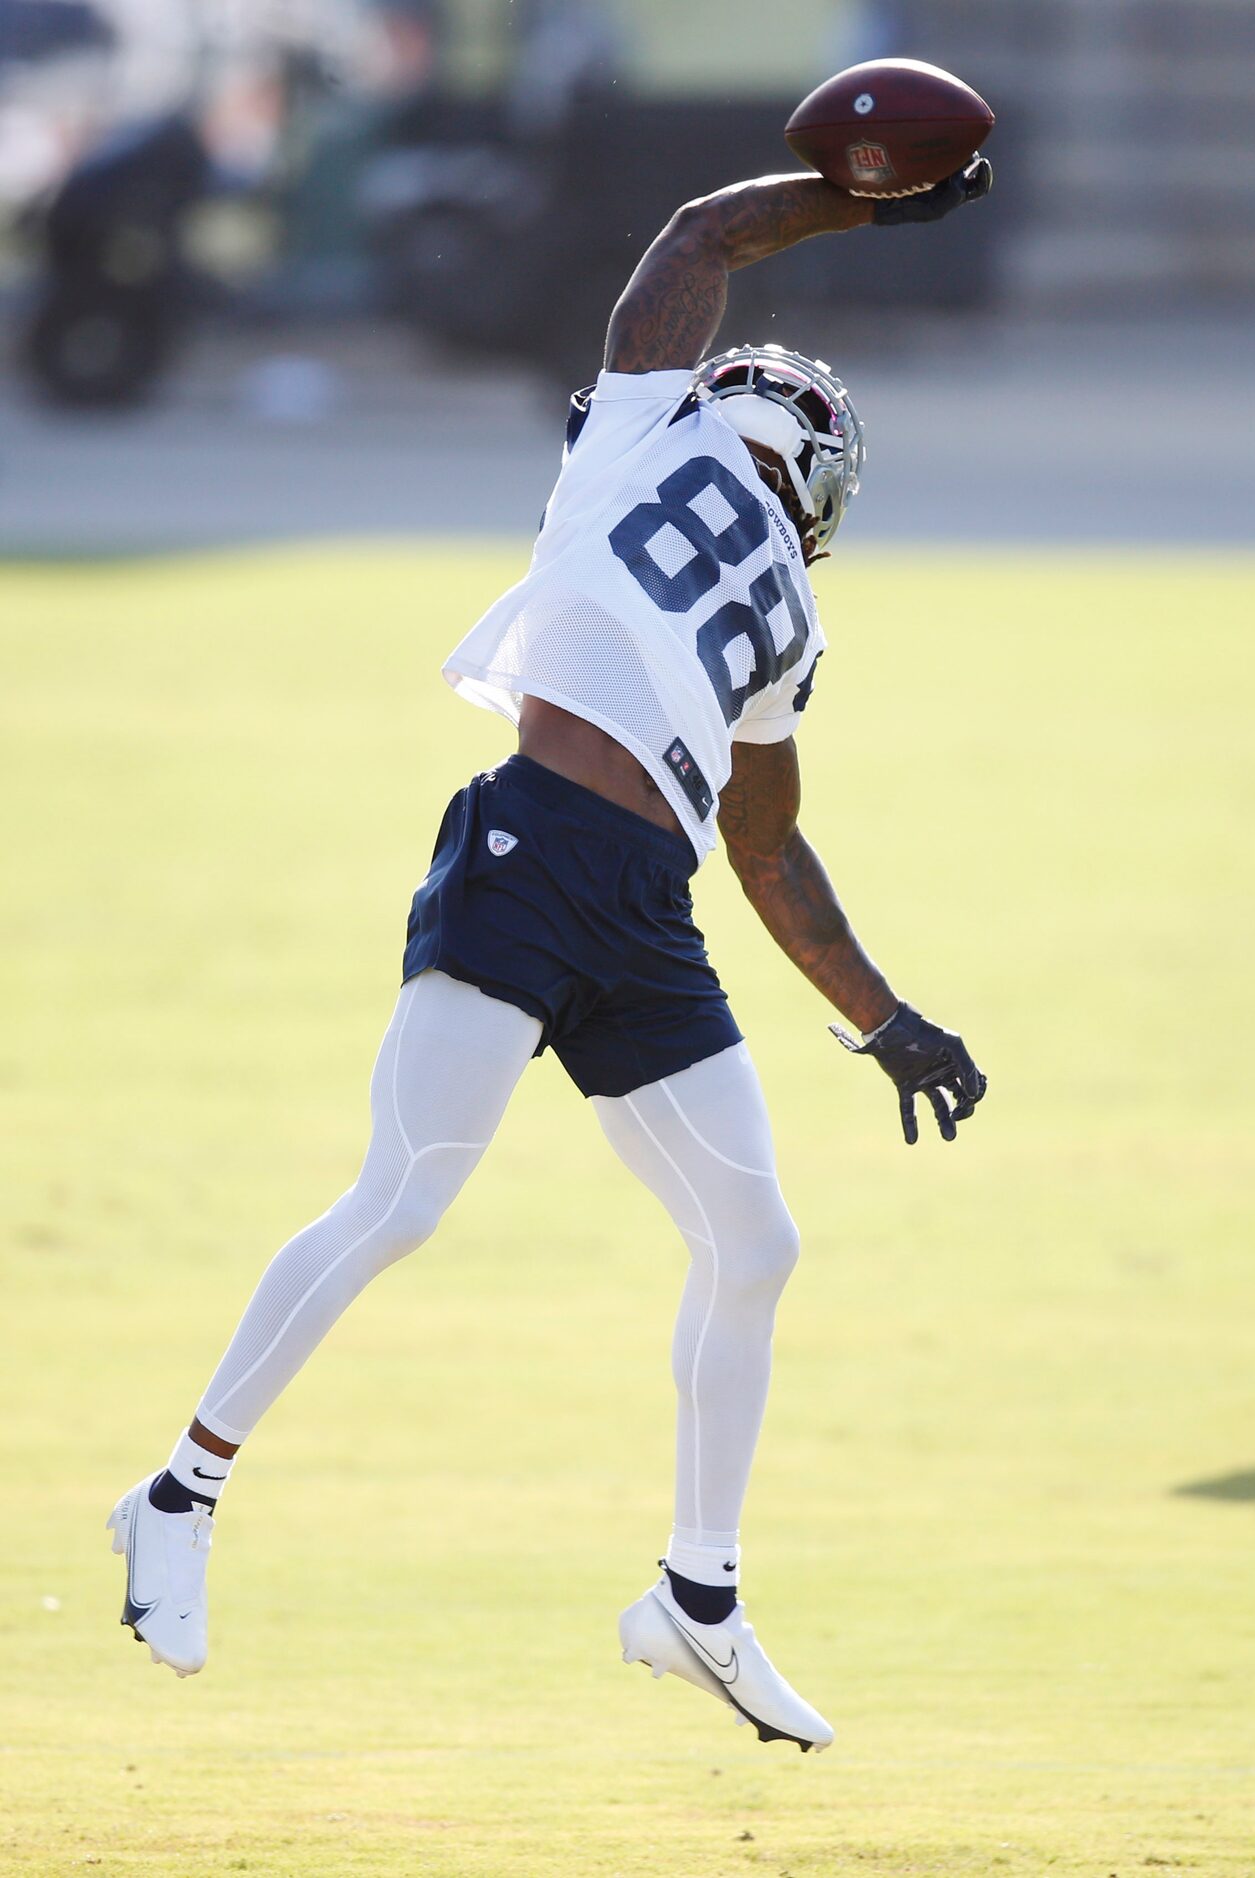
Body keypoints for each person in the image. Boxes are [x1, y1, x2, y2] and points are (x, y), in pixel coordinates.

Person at [108, 156, 994, 1753]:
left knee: (755, 1238)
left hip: (647, 903)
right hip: (533, 842)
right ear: (804, 449)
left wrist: (889, 1020)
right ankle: (176, 1492)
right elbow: (699, 232)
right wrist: (868, 195)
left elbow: (766, 846)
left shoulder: (789, 616)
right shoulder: (645, 429)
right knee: (402, 1197)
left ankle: (697, 1599)